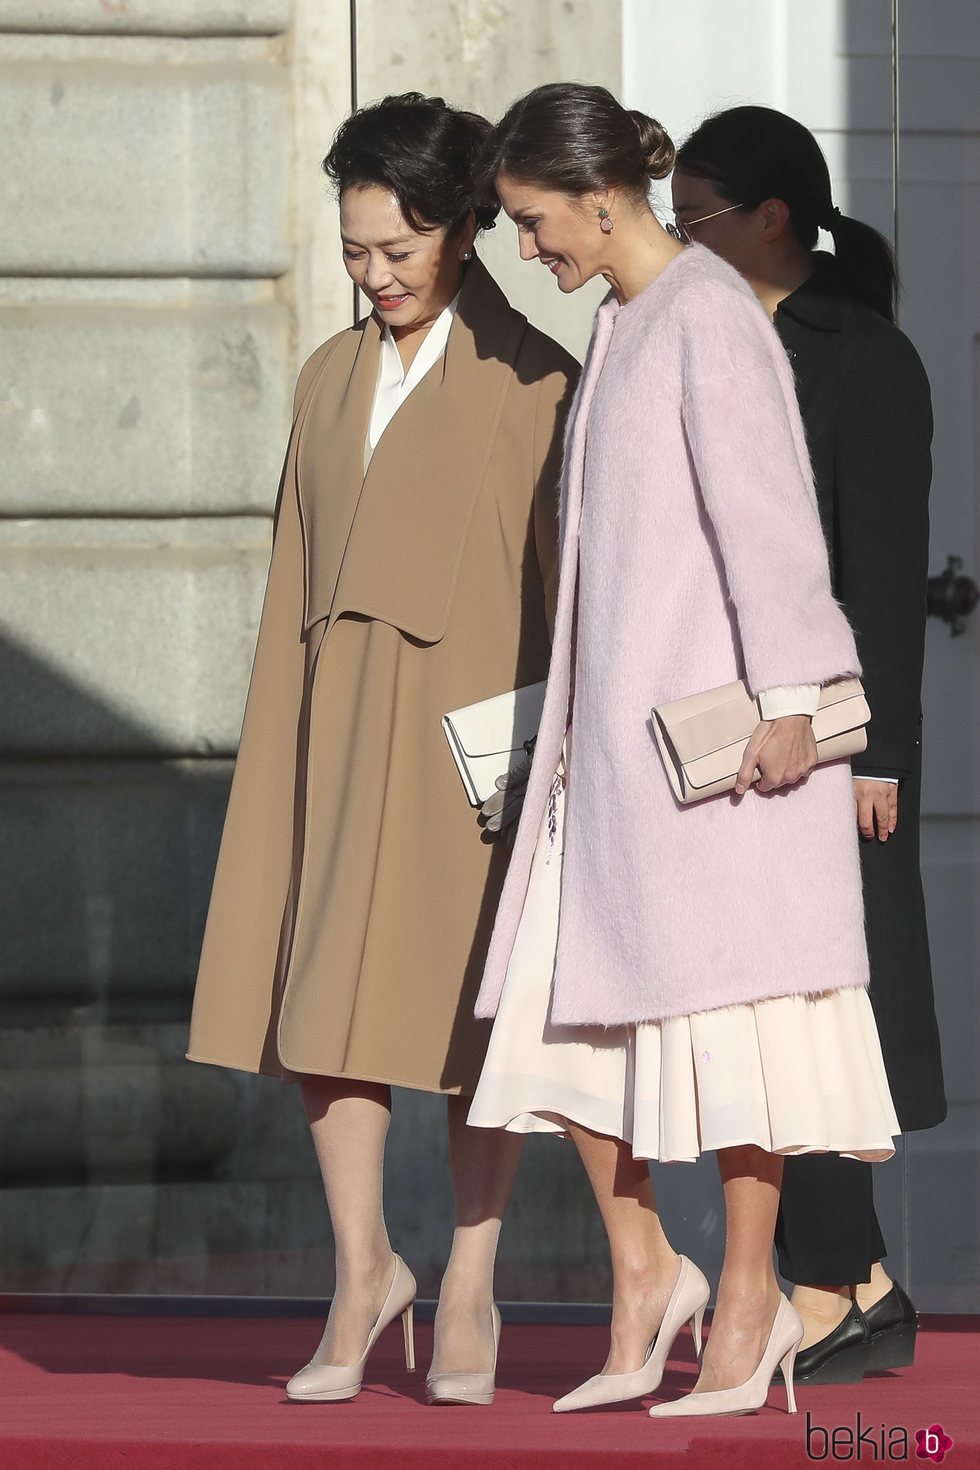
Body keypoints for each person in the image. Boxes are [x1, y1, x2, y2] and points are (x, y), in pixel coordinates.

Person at [466, 81, 900, 1419]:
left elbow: (770, 523)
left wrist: (791, 698)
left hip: (716, 752)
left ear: (601, 195)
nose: (523, 248)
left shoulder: (706, 314)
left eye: (534, 220)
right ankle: (651, 1269)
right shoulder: (626, 318)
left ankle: (754, 1296)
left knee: (737, 1028)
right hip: (611, 751)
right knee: (558, 1021)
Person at [186, 91, 578, 1406]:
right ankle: (363, 1269)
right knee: (328, 1007)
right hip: (340, 726)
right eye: (355, 249)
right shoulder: (327, 376)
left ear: (466, 230)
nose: (375, 276)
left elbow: (569, 594)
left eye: (399, 251)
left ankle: (470, 1275)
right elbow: (294, 571)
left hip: (480, 747)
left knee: (472, 1019)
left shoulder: (535, 377)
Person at [670, 104, 945, 1383]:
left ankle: (840, 1283)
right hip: (725, 734)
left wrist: (876, 754)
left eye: (700, 214)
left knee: (833, 1014)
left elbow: (882, 576)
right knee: (761, 1017)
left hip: (828, 745)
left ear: (770, 217)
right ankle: (854, 1280)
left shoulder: (863, 355)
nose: (679, 237)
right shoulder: (694, 332)